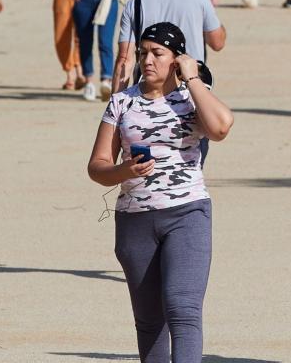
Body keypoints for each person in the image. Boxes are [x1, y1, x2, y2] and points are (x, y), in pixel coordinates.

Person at [89, 20, 233, 363]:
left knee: (183, 309)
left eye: (158, 53)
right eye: (143, 53)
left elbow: (221, 127)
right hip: (135, 220)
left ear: (176, 59)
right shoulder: (121, 103)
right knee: (150, 322)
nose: (147, 60)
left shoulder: (190, 98)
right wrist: (124, 170)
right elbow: (97, 166)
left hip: (187, 213)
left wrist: (193, 77)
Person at [113, 0, 226, 92]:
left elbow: (124, 60)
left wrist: (114, 106)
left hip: (149, 89)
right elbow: (217, 43)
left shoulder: (135, 3)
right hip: (188, 87)